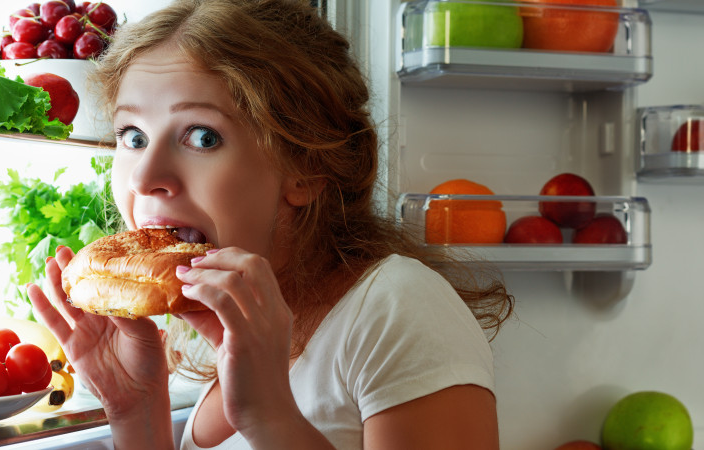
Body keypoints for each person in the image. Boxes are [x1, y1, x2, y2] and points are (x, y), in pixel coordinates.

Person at [26, 0, 514, 448]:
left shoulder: (398, 307)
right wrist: (136, 408)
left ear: (304, 167)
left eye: (202, 136)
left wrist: (269, 416)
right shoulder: (239, 323)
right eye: (132, 136)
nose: (146, 177)